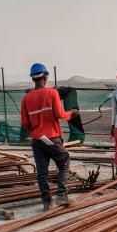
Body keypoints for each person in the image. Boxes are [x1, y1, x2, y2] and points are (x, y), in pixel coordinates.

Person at [19, 63, 80, 211]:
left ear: (33, 79)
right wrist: (72, 113)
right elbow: (60, 114)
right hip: (52, 137)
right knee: (64, 162)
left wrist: (35, 131)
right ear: (45, 77)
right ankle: (62, 196)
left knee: (42, 172)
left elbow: (25, 122)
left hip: (37, 140)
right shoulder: (52, 93)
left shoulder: (26, 99)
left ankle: (47, 202)